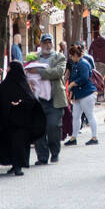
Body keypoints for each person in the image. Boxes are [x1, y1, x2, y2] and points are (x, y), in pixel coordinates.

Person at [0, 61, 43, 175]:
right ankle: (14, 165)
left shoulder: (23, 85)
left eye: (9, 67)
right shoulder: (5, 85)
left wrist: (20, 103)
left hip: (21, 123)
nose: (7, 70)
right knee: (10, 143)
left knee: (19, 144)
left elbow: (31, 100)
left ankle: (18, 166)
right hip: (8, 122)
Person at [28, 35, 67, 164]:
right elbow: (27, 71)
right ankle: (42, 157)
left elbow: (58, 72)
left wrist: (39, 71)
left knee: (53, 127)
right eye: (45, 43)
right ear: (41, 44)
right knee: (38, 129)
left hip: (54, 99)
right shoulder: (34, 57)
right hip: (38, 100)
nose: (48, 45)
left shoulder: (59, 57)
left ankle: (55, 152)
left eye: (50, 42)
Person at [64, 44, 99, 146]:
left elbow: (84, 78)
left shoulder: (83, 64)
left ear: (75, 54)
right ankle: (73, 137)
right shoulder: (77, 63)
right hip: (78, 94)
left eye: (71, 55)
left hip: (87, 93)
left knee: (89, 115)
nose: (70, 57)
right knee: (75, 116)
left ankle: (94, 137)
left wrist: (72, 84)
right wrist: (71, 92)